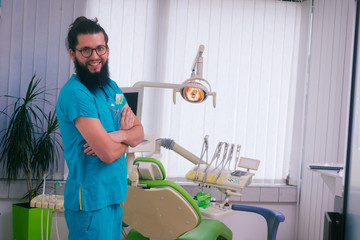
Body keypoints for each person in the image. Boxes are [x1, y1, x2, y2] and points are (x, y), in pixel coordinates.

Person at [56, 16, 144, 240]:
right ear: (72, 54)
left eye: (100, 48)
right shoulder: (76, 93)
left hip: (113, 196)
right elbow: (106, 154)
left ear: (107, 49)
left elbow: (139, 132)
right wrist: (125, 141)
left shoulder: (110, 87)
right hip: (91, 201)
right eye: (86, 50)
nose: (95, 56)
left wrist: (116, 135)